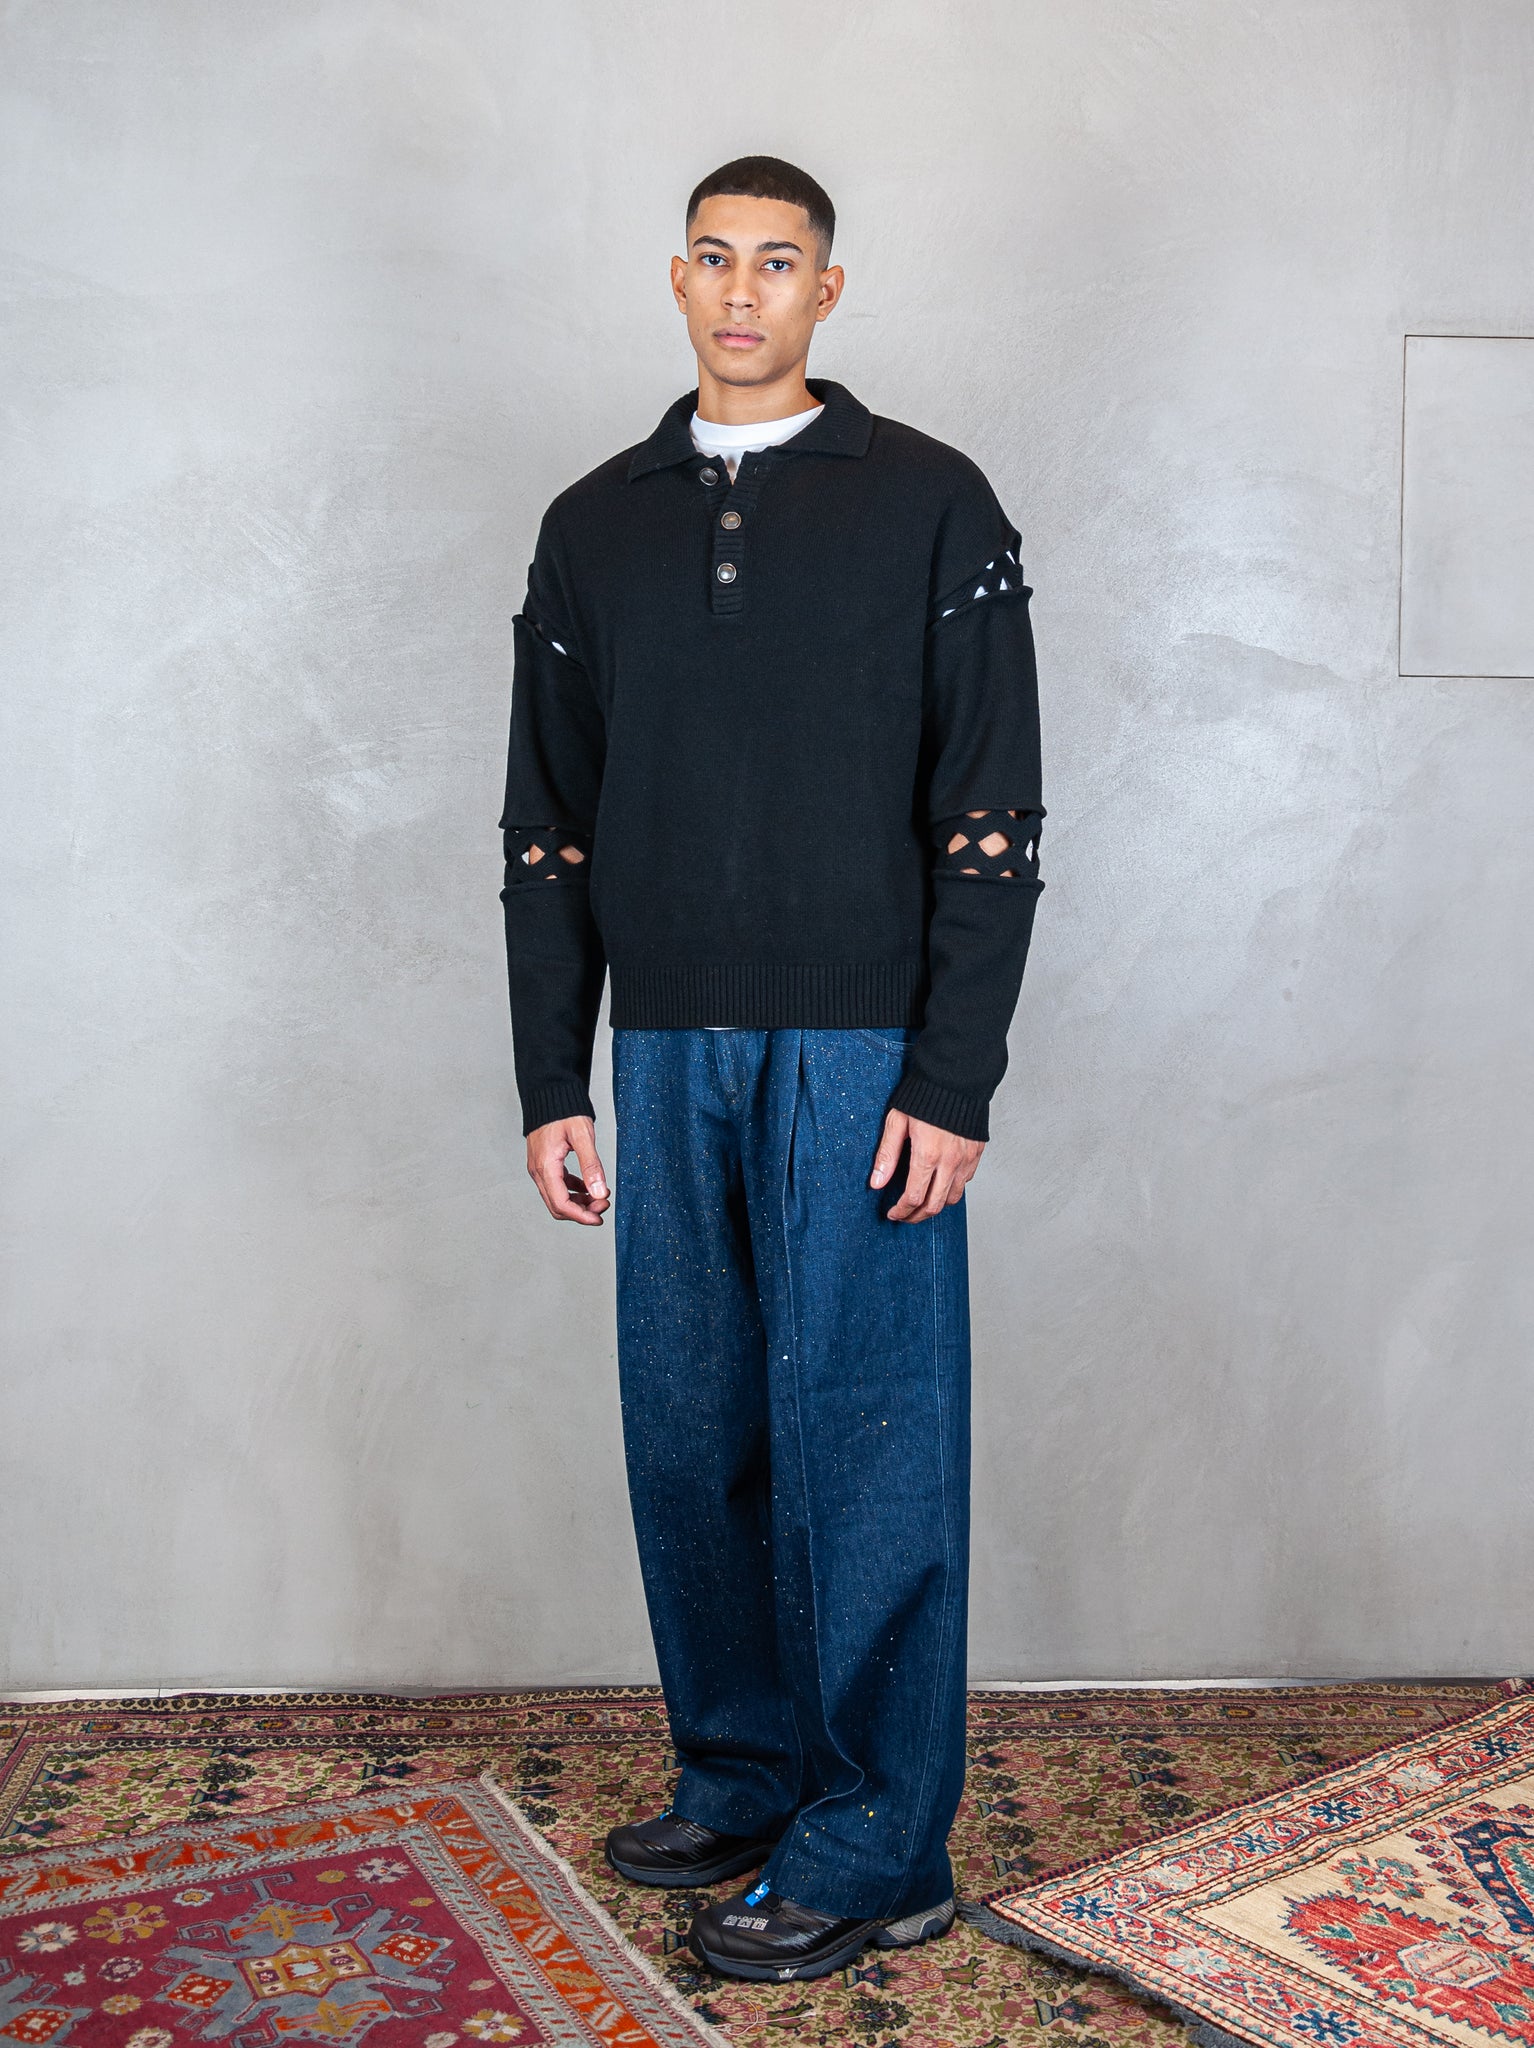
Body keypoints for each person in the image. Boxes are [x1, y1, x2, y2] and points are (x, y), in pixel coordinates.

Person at [497, 153, 1046, 1983]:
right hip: (662, 1043)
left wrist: (951, 1080)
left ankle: (878, 1844)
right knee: (693, 1430)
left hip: (860, 1044)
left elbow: (988, 811)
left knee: (863, 1440)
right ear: (676, 281)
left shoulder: (932, 502)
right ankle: (740, 1776)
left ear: (827, 289)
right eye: (715, 259)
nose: (744, 291)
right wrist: (552, 1078)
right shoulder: (593, 524)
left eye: (779, 262)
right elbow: (547, 826)